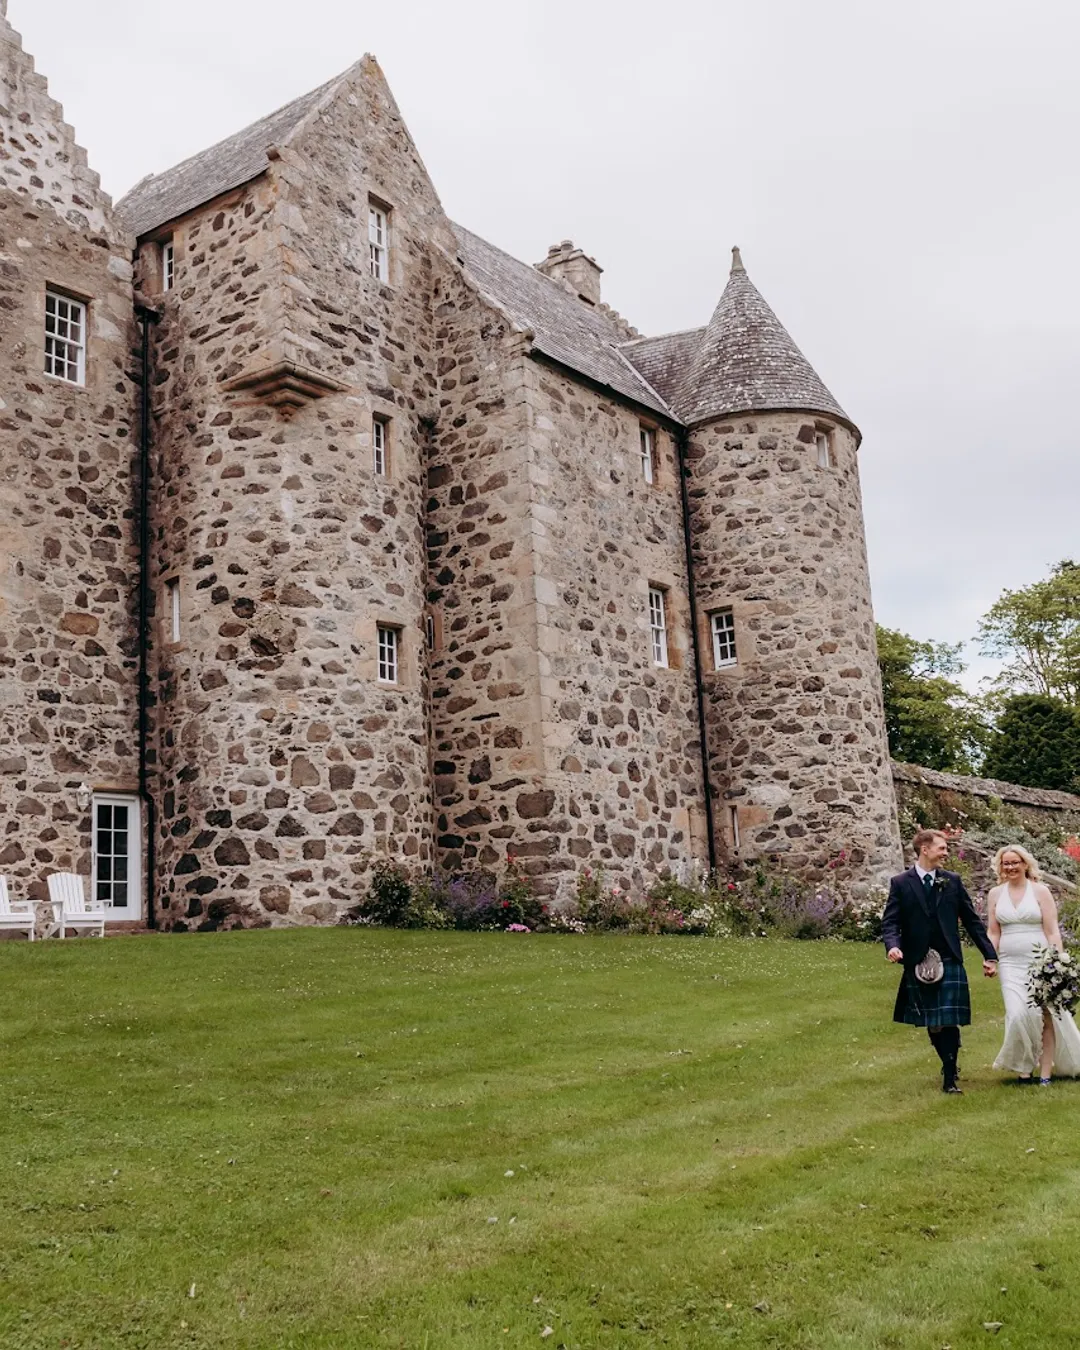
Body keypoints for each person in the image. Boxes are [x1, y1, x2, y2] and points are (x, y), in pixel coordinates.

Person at [882, 828, 998, 1093]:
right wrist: (893, 946)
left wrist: (989, 955)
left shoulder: (952, 881)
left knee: (948, 1017)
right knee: (934, 1022)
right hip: (918, 958)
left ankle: (949, 1074)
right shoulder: (901, 883)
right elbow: (891, 922)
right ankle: (948, 1061)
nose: (946, 852)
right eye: (941, 848)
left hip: (949, 956)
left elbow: (971, 921)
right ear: (925, 849)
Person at [986, 844, 1080, 1085]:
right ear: (1000, 866)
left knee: (1044, 1015)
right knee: (1018, 1014)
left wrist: (1057, 962)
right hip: (1010, 963)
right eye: (1006, 863)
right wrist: (990, 958)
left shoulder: (1040, 891)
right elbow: (993, 932)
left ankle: (1045, 1073)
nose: (1010, 867)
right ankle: (1024, 1066)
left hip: (1040, 962)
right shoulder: (995, 894)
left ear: (1025, 864)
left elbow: (1052, 931)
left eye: (1015, 862)